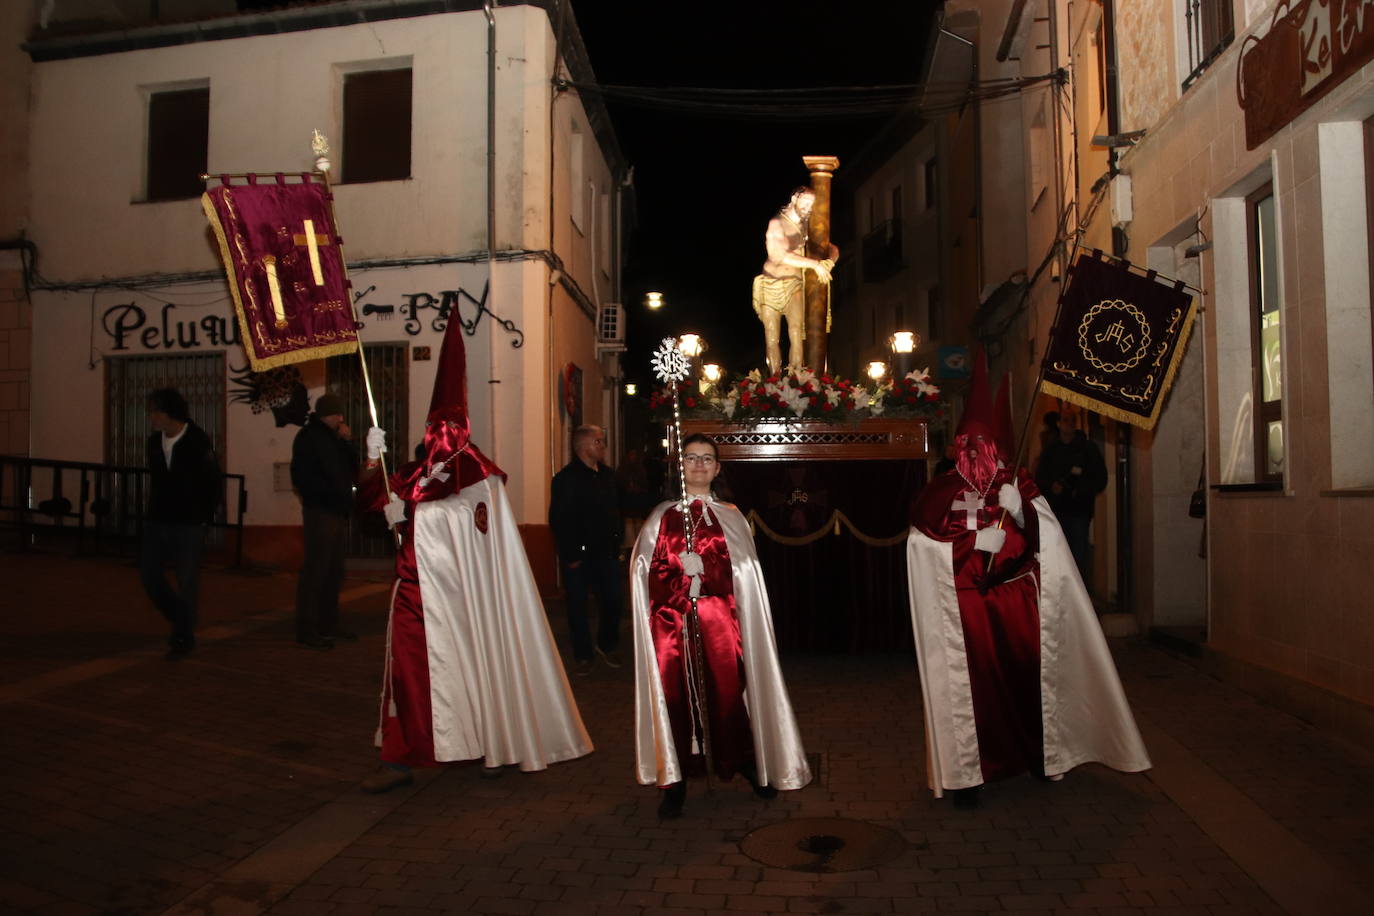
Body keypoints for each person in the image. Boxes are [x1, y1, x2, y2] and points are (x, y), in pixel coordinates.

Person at [356, 314, 592, 794]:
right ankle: (401, 758)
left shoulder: (478, 474)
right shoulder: (411, 470)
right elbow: (370, 504)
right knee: (408, 678)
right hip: (412, 594)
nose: (440, 434)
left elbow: (475, 527)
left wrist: (413, 514)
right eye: (434, 426)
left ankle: (492, 745)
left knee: (473, 671)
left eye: (449, 425)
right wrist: (369, 465)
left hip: (463, 596)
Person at [906, 354, 1149, 809]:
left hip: (1018, 602)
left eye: (985, 442)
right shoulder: (939, 492)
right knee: (974, 691)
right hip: (966, 612)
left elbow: (1049, 542)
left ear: (997, 444)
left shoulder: (1018, 481)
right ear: (958, 444)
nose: (978, 450)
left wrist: (1021, 511)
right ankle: (969, 775)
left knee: (1026, 678)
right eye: (969, 442)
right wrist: (971, 541)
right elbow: (921, 548)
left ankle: (1039, 755)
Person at [630, 434, 811, 818]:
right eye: (691, 458)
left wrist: (708, 570)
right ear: (680, 466)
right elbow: (643, 572)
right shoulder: (661, 516)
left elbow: (746, 572)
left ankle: (743, 762)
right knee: (676, 698)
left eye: (707, 458)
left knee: (729, 694)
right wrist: (679, 570)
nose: (698, 464)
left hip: (722, 623)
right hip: (672, 623)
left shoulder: (730, 515)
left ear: (717, 467)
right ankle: (675, 780)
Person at [140, 388, 221, 660]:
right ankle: (181, 616)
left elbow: (213, 483)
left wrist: (203, 518)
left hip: (188, 523)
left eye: (154, 411)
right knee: (150, 576)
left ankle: (182, 634)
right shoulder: (154, 443)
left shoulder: (197, 441)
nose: (151, 417)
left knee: (187, 580)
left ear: (168, 413)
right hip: (158, 520)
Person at [549, 425, 624, 676]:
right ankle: (583, 654)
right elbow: (559, 519)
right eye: (598, 442)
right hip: (579, 557)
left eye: (603, 441)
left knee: (613, 601)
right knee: (578, 607)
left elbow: (622, 505)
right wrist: (571, 555)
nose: (603, 446)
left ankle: (606, 644)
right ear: (583, 446)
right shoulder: (565, 479)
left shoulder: (608, 475)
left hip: (607, 554)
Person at [290, 392, 357, 650]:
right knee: (316, 570)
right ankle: (307, 627)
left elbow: (350, 466)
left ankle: (328, 622)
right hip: (320, 509)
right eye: (336, 414)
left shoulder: (334, 438)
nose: (340, 418)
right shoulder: (308, 438)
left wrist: (348, 442)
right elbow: (302, 476)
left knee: (333, 571)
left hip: (336, 509)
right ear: (326, 414)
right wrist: (324, 495)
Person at [753, 187, 839, 375]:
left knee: (796, 334)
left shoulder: (807, 227)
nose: (808, 207)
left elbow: (832, 248)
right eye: (805, 202)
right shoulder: (777, 223)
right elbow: (778, 255)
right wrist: (815, 264)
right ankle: (775, 380)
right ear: (794, 198)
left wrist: (829, 263)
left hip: (794, 283)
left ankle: (795, 380)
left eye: (811, 205)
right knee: (772, 337)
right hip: (771, 283)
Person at [1035, 405, 1107, 586]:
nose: (1070, 424)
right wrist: (1052, 487)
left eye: (1072, 421)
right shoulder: (1051, 451)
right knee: (1059, 556)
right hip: (1057, 512)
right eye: (1066, 420)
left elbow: (1100, 478)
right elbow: (1040, 479)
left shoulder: (1087, 449)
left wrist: (1081, 489)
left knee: (1079, 555)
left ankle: (1081, 595)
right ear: (1059, 424)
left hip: (1079, 511)